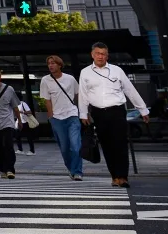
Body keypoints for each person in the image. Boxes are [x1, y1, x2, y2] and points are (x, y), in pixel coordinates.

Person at [78, 42, 148, 187]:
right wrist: (83, 114)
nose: (100, 57)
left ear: (107, 56)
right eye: (97, 53)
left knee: (120, 144)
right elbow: (83, 95)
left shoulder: (117, 70)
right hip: (98, 113)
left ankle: (123, 177)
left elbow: (130, 90)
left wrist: (143, 109)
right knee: (107, 145)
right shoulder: (85, 72)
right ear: (92, 55)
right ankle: (114, 176)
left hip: (117, 111)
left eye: (103, 54)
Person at [37, 55, 84, 180]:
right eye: (49, 63)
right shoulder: (45, 80)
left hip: (72, 115)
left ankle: (77, 171)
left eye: (53, 63)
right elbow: (47, 100)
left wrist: (81, 111)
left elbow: (77, 95)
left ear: (59, 65)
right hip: (57, 118)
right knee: (64, 148)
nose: (51, 65)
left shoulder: (70, 79)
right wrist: (51, 116)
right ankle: (71, 169)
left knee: (76, 145)